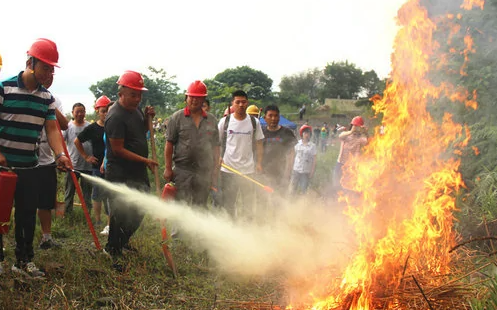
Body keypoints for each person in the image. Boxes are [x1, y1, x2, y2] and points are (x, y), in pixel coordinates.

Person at [0, 38, 71, 277]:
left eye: (52, 69)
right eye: (45, 67)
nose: (49, 73)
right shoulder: (4, 89)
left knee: (27, 215)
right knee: (0, 214)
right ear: (30, 62)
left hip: (30, 166)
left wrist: (60, 154)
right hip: (3, 167)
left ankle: (22, 261)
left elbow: (52, 129)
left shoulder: (47, 98)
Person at [104, 70, 158, 271]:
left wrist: (147, 119)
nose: (138, 98)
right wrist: (146, 160)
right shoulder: (115, 116)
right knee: (120, 212)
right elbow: (117, 150)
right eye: (133, 94)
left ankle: (121, 242)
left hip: (137, 172)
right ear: (121, 93)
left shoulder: (135, 110)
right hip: (120, 174)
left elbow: (139, 132)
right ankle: (113, 249)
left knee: (139, 208)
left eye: (139, 94)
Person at [164, 80, 220, 208]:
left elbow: (216, 146)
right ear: (186, 98)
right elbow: (169, 144)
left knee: (200, 206)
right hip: (182, 171)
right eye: (191, 97)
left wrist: (215, 171)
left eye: (198, 98)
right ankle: (178, 229)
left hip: (204, 171)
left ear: (204, 99)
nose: (194, 100)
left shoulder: (211, 120)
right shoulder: (177, 118)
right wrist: (167, 168)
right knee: (181, 207)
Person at [218, 90, 264, 219]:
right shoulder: (224, 122)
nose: (241, 105)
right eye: (237, 102)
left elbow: (259, 143)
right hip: (228, 169)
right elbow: (216, 142)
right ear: (232, 104)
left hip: (248, 170)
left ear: (247, 103)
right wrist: (217, 157)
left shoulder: (255, 123)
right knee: (228, 203)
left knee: (248, 203)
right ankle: (230, 228)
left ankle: (246, 229)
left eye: (243, 102)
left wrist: (259, 163)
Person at [37, 74, 69, 250]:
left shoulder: (53, 99)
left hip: (48, 154)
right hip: (27, 153)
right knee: (20, 200)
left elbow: (63, 125)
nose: (48, 77)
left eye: (51, 75)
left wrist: (48, 101)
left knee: (46, 200)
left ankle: (46, 237)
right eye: (45, 72)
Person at [74, 96, 111, 225]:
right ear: (97, 111)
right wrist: (86, 156)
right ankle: (97, 220)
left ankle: (110, 222)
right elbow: (77, 141)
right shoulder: (92, 128)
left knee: (110, 194)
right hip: (96, 166)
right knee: (97, 194)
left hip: (111, 165)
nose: (106, 113)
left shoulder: (113, 126)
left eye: (108, 110)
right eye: (103, 111)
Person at [63, 103, 93, 215]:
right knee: (69, 191)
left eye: (82, 111)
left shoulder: (89, 127)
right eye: (77, 111)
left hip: (87, 166)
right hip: (72, 166)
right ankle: (67, 214)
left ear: (85, 113)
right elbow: (61, 142)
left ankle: (87, 214)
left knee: (87, 193)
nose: (80, 114)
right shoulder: (68, 126)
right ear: (73, 113)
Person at [261, 105, 297, 191]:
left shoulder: (287, 132)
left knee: (279, 200)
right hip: (264, 174)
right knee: (263, 200)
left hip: (281, 174)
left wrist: (287, 173)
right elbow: (257, 151)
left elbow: (291, 153)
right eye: (270, 116)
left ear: (279, 117)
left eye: (276, 115)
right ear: (265, 118)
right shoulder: (261, 132)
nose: (273, 118)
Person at [333, 116, 368, 193]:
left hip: (351, 167)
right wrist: (351, 131)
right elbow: (340, 136)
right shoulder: (346, 135)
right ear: (351, 126)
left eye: (358, 127)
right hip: (340, 164)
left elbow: (367, 142)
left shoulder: (360, 138)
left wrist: (365, 132)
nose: (356, 129)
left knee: (348, 188)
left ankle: (347, 202)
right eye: (355, 126)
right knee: (336, 185)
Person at [291, 125, 317, 194]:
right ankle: (290, 201)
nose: (306, 135)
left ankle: (303, 202)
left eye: (308, 133)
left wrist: (312, 171)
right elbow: (293, 156)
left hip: (306, 171)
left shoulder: (312, 146)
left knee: (304, 189)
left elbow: (314, 160)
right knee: (292, 188)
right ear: (301, 134)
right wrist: (290, 168)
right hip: (296, 170)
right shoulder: (297, 144)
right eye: (305, 133)